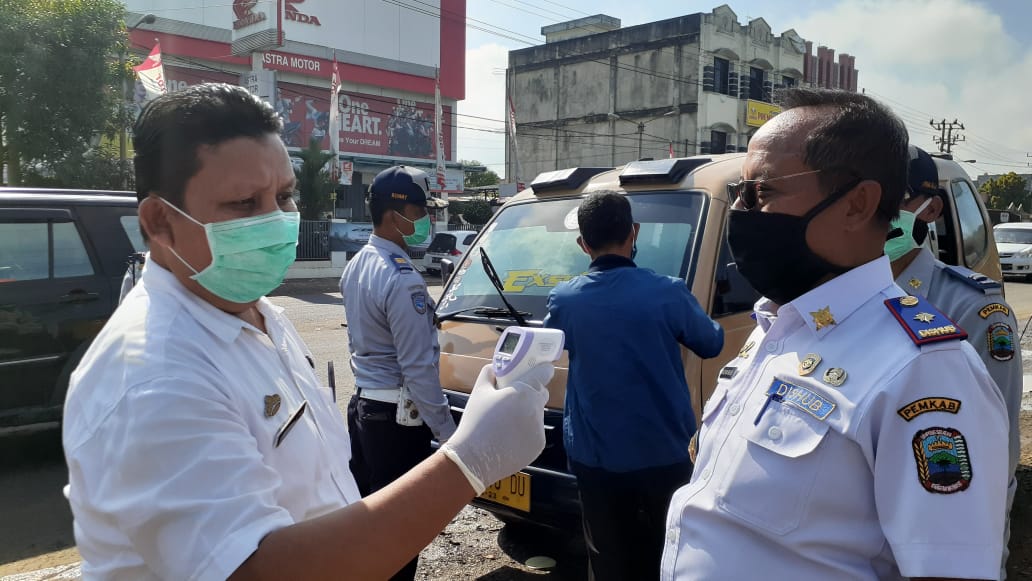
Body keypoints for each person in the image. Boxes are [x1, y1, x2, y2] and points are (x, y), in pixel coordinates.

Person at [62, 83, 552, 581]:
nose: (276, 221)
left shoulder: (258, 314)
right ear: (160, 222)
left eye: (284, 196)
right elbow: (255, 569)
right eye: (244, 203)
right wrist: (468, 458)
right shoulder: (153, 376)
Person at [661, 88, 1008, 580]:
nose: (741, 210)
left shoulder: (923, 370)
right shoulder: (777, 326)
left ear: (856, 204)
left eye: (764, 191)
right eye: (741, 192)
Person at [542, 192, 724, 581]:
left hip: (595, 454)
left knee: (607, 555)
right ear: (634, 232)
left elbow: (548, 347)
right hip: (664, 450)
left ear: (583, 244)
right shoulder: (668, 291)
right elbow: (711, 343)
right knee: (672, 553)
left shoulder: (565, 299)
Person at [887, 144, 1022, 578]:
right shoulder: (833, 298)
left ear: (929, 210)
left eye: (892, 198)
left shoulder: (972, 309)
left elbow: (995, 452)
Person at [338, 164, 457, 580]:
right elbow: (419, 367)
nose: (428, 220)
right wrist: (448, 434)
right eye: (423, 211)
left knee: (370, 529)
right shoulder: (402, 278)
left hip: (364, 410)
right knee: (400, 538)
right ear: (397, 213)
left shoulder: (358, 265)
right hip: (397, 424)